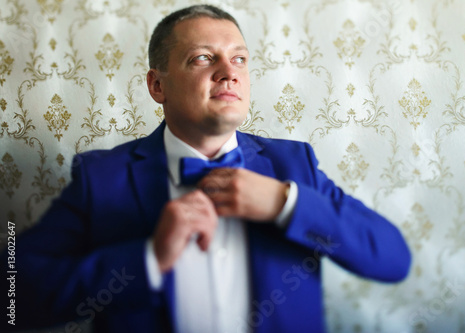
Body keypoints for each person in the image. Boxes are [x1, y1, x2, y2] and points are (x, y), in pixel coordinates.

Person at [1, 5, 411, 333]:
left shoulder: (294, 165)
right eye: (202, 58)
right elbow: (12, 295)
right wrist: (147, 259)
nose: (229, 71)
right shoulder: (101, 178)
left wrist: (286, 204)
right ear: (157, 86)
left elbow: (392, 258)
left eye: (239, 59)